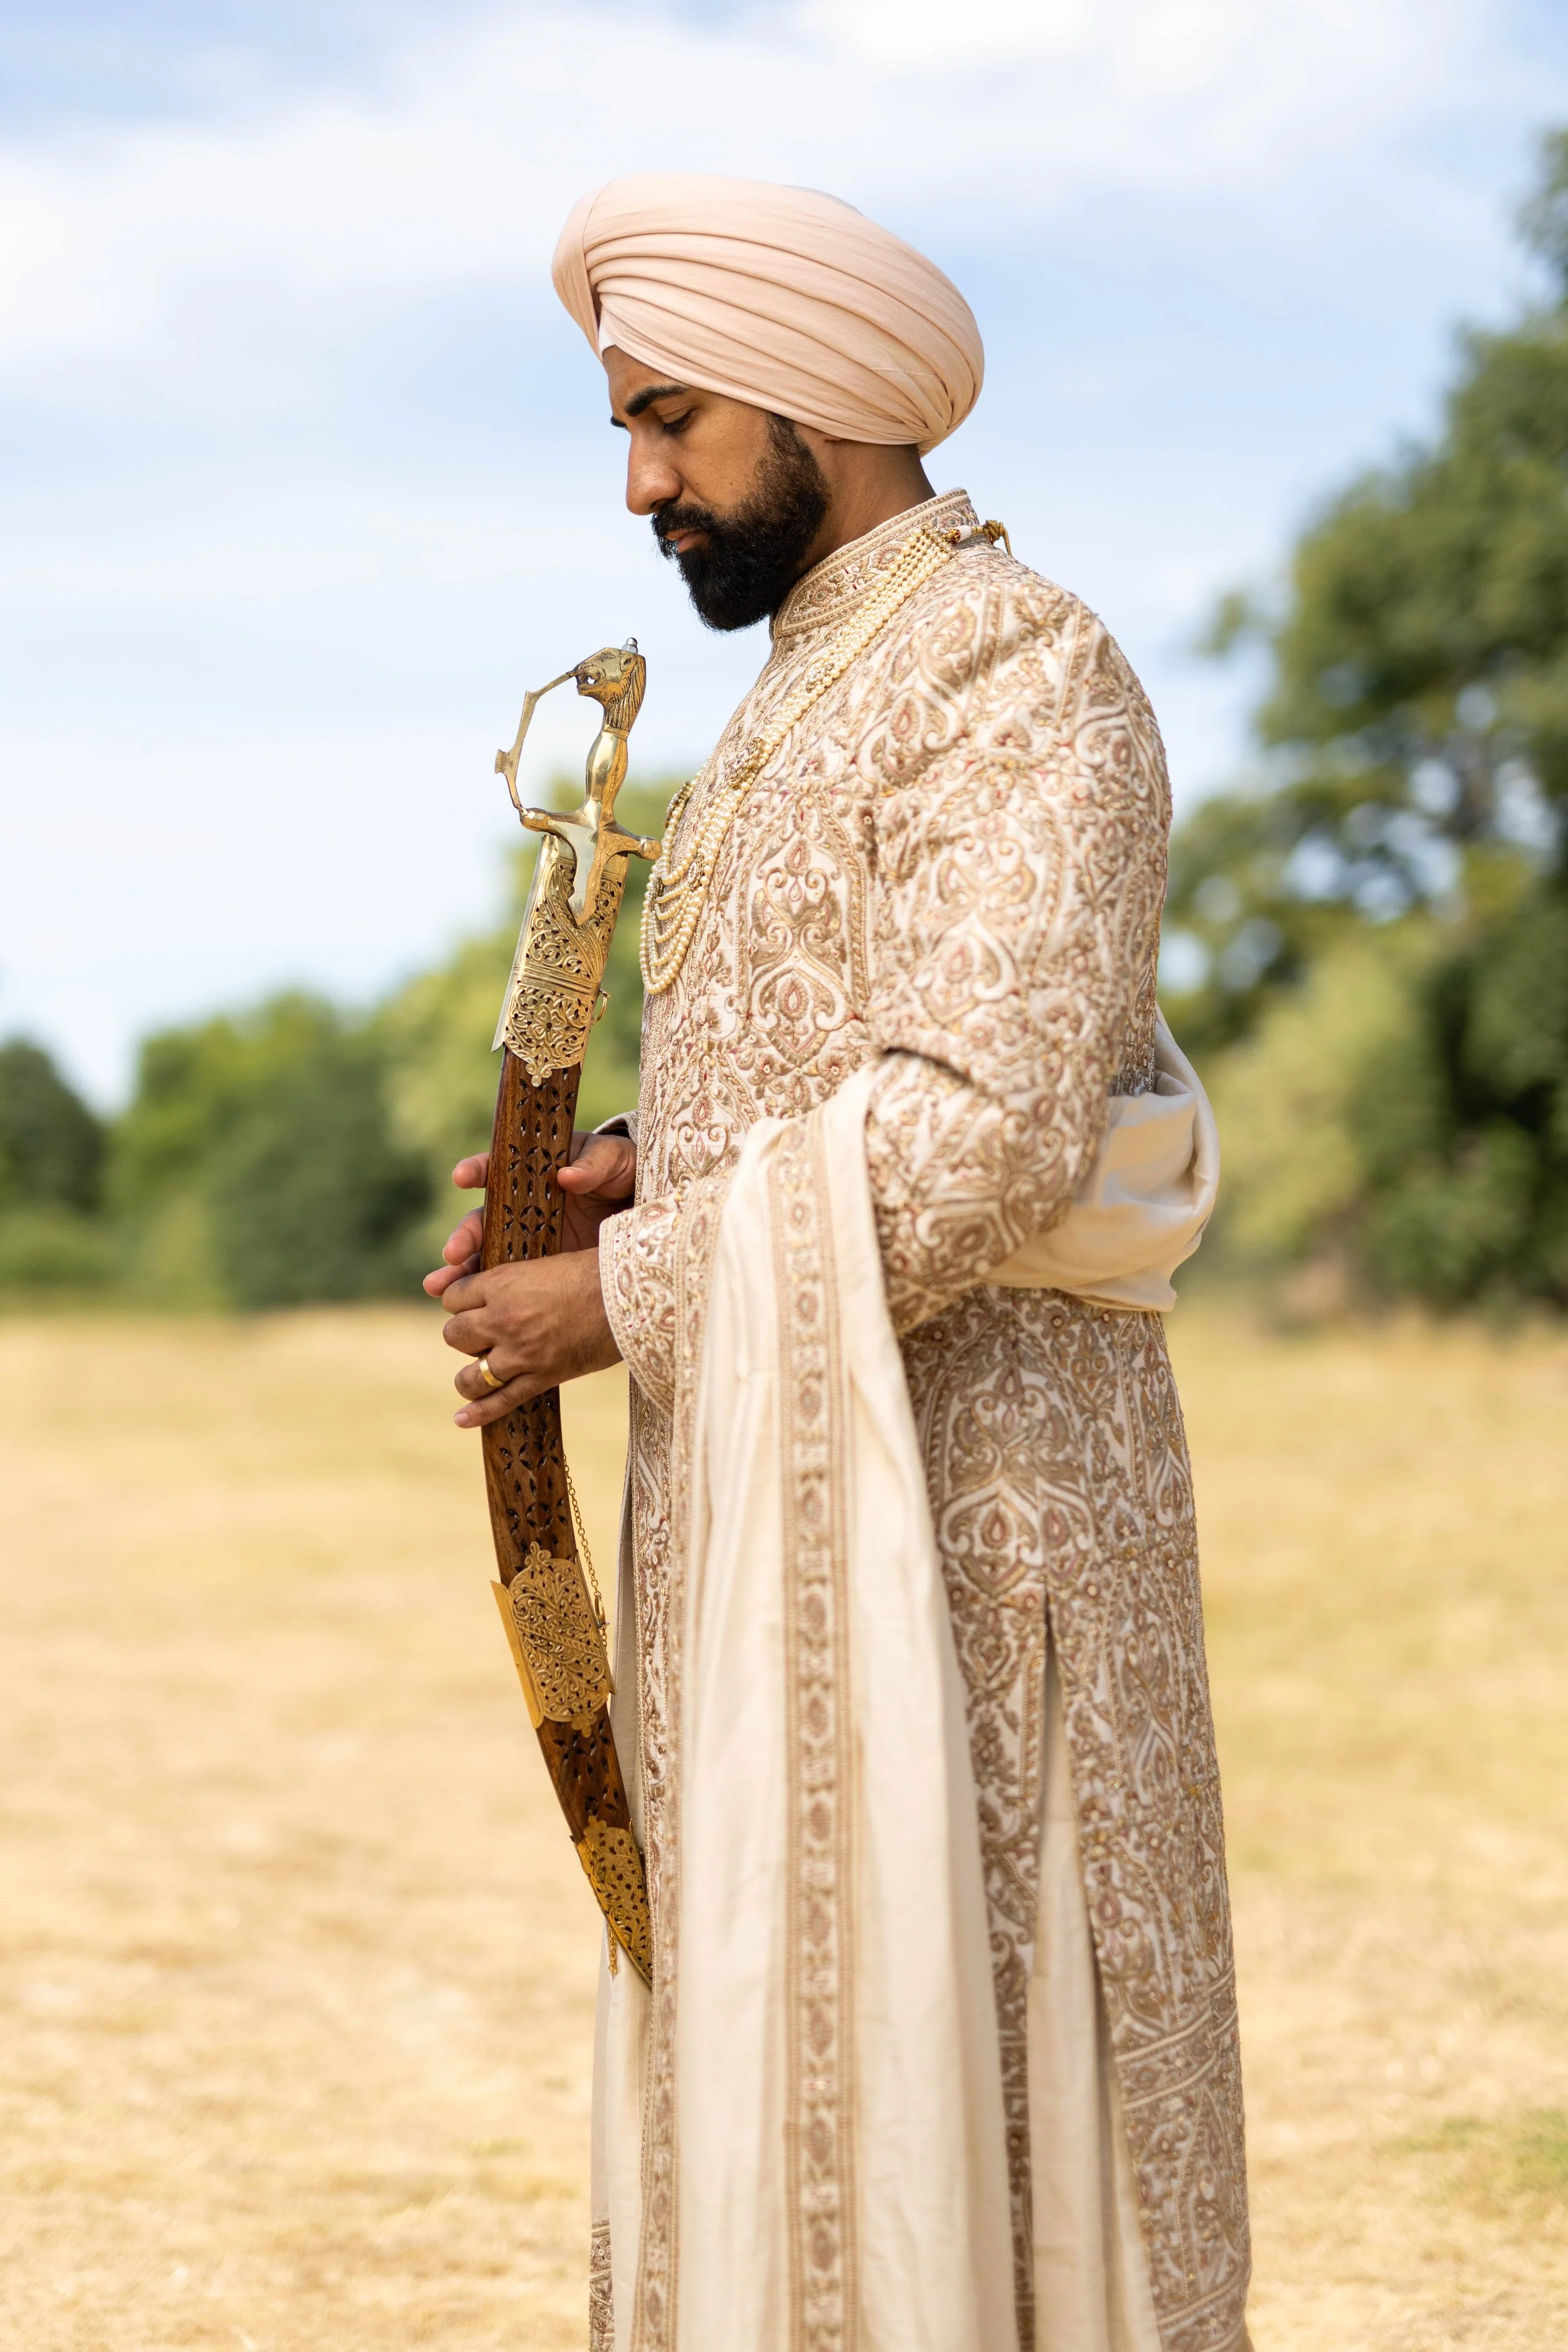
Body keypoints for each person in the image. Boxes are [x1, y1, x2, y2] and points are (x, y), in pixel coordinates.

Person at [423, 174, 1250, 2352]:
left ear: (820, 395)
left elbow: (985, 1125)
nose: (641, 484)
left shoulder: (1018, 666)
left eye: (673, 419)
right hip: (765, 1521)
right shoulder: (803, 694)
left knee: (990, 2127)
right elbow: (835, 1061)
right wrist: (625, 1168)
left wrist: (627, 1295)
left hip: (982, 1552)